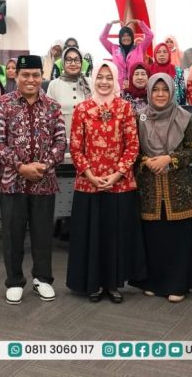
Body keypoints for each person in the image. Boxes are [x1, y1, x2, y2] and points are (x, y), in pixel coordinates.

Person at [0, 55, 68, 305]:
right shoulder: (2, 104)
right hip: (12, 182)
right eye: (25, 75)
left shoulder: (53, 106)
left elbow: (61, 141)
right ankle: (14, 281)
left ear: (42, 76)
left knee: (42, 233)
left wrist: (44, 166)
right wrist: (21, 167)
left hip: (44, 181)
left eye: (35, 75)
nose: (31, 79)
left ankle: (42, 279)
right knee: (12, 235)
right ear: (16, 76)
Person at [66, 61, 144, 303]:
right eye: (100, 77)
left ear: (116, 80)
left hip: (119, 185)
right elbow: (75, 147)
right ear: (93, 79)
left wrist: (117, 174)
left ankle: (113, 283)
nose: (104, 82)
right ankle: (93, 284)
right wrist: (90, 175)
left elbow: (133, 146)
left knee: (115, 236)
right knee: (92, 236)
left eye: (109, 77)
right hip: (88, 185)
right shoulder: (82, 109)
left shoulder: (125, 108)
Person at [131, 74, 192, 302]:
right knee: (153, 237)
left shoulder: (184, 117)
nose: (160, 94)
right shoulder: (140, 117)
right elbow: (132, 150)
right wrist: (146, 161)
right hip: (149, 187)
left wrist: (169, 159)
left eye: (164, 90)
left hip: (177, 187)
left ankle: (178, 285)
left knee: (177, 238)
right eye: (155, 90)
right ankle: (152, 282)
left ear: (172, 92)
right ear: (149, 92)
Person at [46, 46, 92, 139]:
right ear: (63, 62)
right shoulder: (54, 85)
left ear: (81, 62)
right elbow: (49, 115)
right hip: (62, 140)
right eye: (69, 60)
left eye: (76, 60)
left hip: (87, 139)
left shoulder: (90, 82)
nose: (73, 63)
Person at [100, 19, 155, 89]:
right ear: (120, 38)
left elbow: (150, 35)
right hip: (118, 88)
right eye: (123, 36)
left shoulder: (140, 48)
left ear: (132, 37)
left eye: (128, 35)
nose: (126, 38)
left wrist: (139, 22)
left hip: (136, 87)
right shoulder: (114, 48)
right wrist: (110, 24)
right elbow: (102, 38)